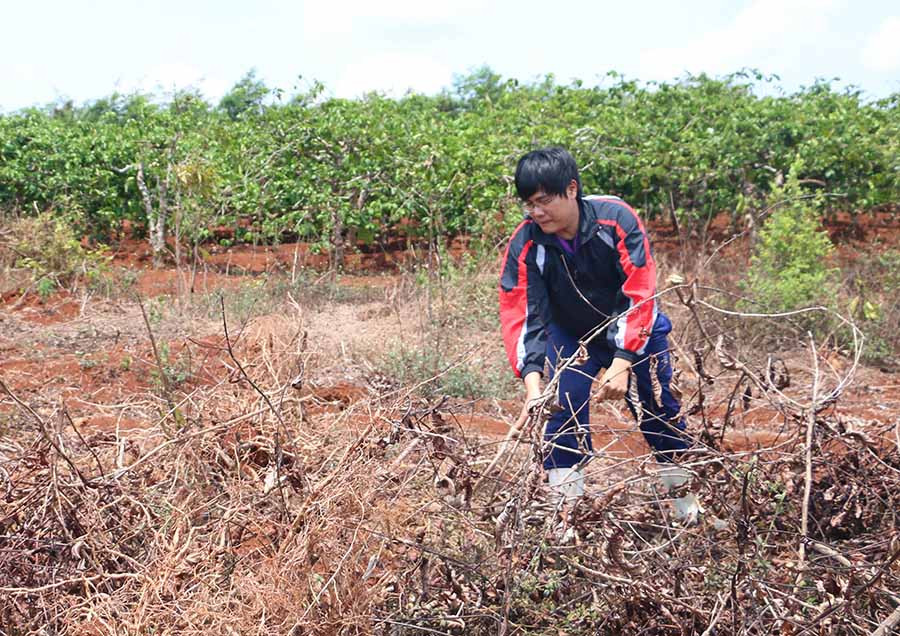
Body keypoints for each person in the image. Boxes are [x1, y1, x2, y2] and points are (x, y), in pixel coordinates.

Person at [498, 147, 695, 515]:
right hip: (572, 336)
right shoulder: (526, 242)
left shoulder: (615, 219)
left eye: (544, 201)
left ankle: (688, 512)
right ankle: (565, 523)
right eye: (529, 204)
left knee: (659, 409)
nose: (536, 212)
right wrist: (533, 388)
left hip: (637, 329)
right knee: (561, 413)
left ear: (572, 189)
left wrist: (622, 360)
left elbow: (640, 291)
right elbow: (523, 312)